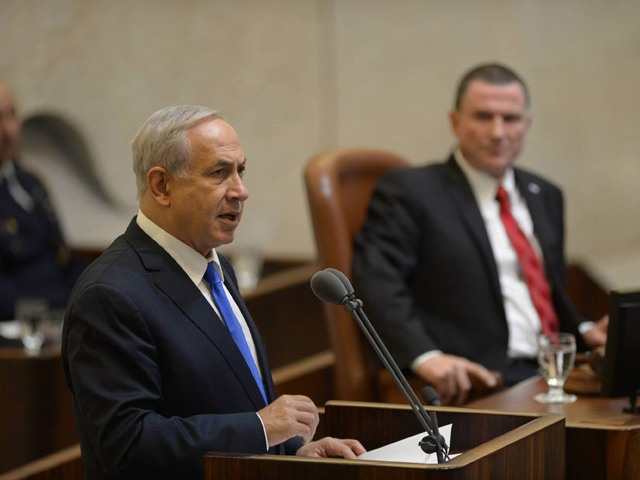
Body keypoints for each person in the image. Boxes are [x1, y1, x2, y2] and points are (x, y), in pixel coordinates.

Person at [61, 105, 365, 479]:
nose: (241, 191)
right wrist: (261, 429)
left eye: (241, 171)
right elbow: (127, 445)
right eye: (219, 173)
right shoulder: (109, 295)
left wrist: (293, 451)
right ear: (161, 186)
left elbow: (233, 400)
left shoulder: (217, 268)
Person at [352, 63, 608, 406]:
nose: (498, 132)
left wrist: (585, 330)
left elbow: (545, 295)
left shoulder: (545, 194)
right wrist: (426, 356)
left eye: (511, 119)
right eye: (483, 117)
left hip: (555, 371)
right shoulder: (412, 191)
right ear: (455, 122)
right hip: (483, 380)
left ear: (526, 125)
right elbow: (377, 283)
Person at [0, 82, 87, 324]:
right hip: (20, 328)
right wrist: (66, 306)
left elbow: (64, 258)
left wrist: (100, 288)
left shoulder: (30, 183)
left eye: (12, 115)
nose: (9, 131)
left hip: (58, 317)